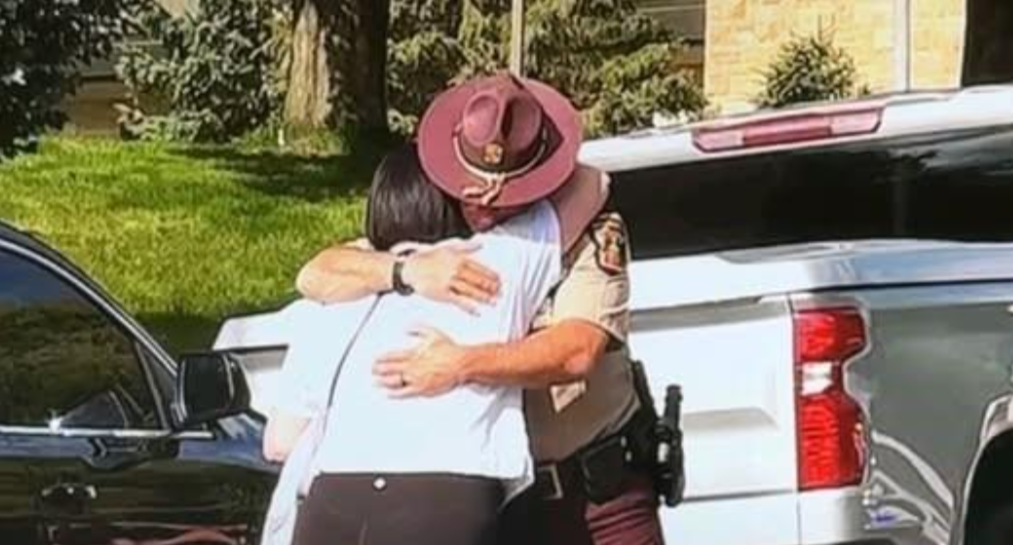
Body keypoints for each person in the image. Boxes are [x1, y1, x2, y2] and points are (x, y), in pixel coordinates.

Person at [296, 74, 665, 545]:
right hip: (506, 503)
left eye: (505, 195)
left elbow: (575, 351)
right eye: (470, 194)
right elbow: (318, 274)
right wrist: (405, 271)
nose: (485, 210)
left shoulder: (584, 231)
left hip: (594, 496)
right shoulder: (436, 231)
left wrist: (462, 364)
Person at [263, 141, 605, 545]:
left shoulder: (341, 291)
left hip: (333, 501)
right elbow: (593, 181)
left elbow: (280, 442)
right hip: (444, 501)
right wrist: (500, 179)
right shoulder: (494, 260)